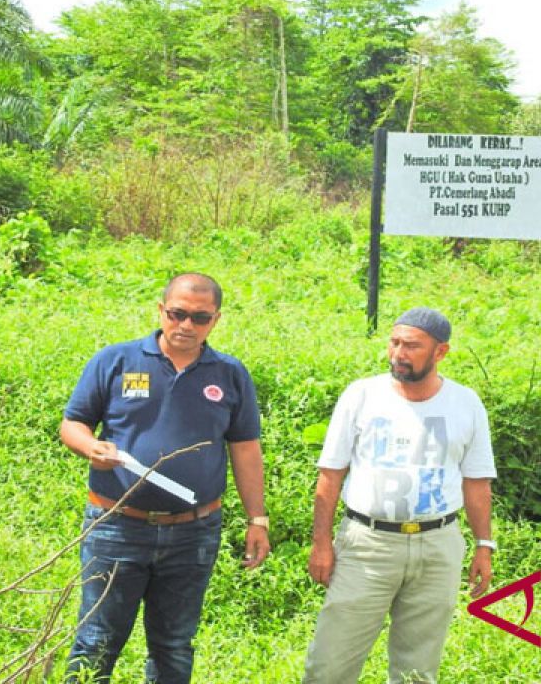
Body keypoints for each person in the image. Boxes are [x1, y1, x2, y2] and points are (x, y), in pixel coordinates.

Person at [60, 272, 270, 683]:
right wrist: (90, 447)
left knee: (173, 645)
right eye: (177, 314)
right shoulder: (115, 361)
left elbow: (245, 447)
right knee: (97, 639)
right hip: (117, 527)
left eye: (200, 318)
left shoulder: (229, 374)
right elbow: (73, 424)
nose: (186, 326)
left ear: (216, 320)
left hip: (193, 533)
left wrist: (257, 519)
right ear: (161, 311)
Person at [303, 307, 497, 684]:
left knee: (417, 671)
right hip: (367, 545)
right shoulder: (362, 395)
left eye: (411, 346)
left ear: (441, 352)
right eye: (394, 343)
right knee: (329, 666)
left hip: (438, 546)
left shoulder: (466, 404)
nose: (398, 354)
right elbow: (330, 474)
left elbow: (476, 481)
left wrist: (483, 544)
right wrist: (321, 542)